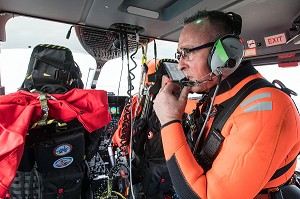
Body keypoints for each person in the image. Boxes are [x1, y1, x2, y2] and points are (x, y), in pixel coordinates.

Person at [153, 10, 300, 199]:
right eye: (179, 54)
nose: (180, 65)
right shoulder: (219, 94)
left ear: (223, 53)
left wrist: (169, 120)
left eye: (187, 53)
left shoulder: (266, 108)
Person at [112, 59, 178, 199]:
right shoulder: (182, 107)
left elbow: (122, 137)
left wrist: (114, 145)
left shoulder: (137, 104)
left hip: (145, 167)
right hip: (172, 166)